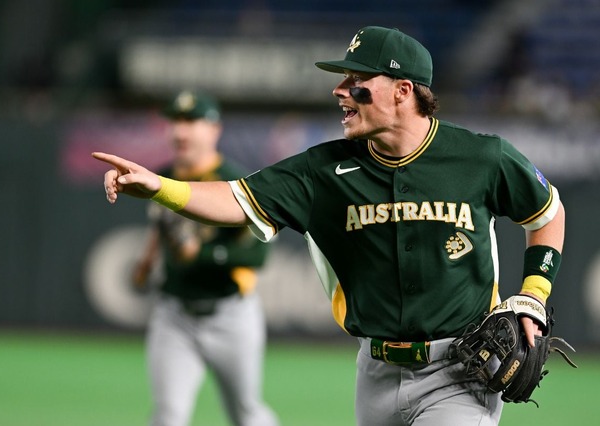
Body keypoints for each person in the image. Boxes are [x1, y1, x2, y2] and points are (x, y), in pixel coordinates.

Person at [93, 27, 565, 426]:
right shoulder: (323, 171)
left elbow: (547, 213)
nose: (340, 91)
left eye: (357, 81)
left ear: (402, 91)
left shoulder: (481, 157)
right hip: (374, 372)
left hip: (459, 371)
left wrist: (534, 295)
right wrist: (161, 187)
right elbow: (236, 199)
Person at [131, 91, 279, 426]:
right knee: (168, 416)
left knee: (246, 413)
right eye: (175, 121)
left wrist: (203, 254)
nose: (180, 131)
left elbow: (258, 253)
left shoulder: (237, 181)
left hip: (231, 315)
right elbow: (159, 230)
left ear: (214, 129)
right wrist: (146, 261)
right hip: (175, 316)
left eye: (191, 122)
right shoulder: (162, 176)